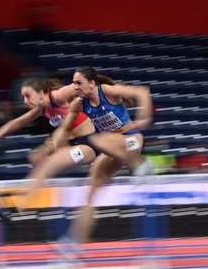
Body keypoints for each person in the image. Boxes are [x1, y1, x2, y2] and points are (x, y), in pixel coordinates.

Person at [50, 66, 154, 255]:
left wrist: (145, 117)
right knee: (91, 189)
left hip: (131, 141)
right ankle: (74, 241)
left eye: (78, 82)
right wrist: (60, 149)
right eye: (73, 83)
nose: (75, 87)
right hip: (112, 147)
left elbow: (142, 91)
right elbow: (63, 131)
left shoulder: (108, 92)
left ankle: (139, 163)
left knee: (97, 139)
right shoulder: (78, 104)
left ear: (92, 83)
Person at [0, 78, 95, 209]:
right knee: (35, 157)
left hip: (89, 146)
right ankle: (40, 190)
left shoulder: (57, 96)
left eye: (28, 96)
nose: (25, 101)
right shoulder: (43, 108)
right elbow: (18, 122)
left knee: (49, 160)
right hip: (72, 144)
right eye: (23, 97)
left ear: (41, 93)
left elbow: (79, 85)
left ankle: (20, 203)